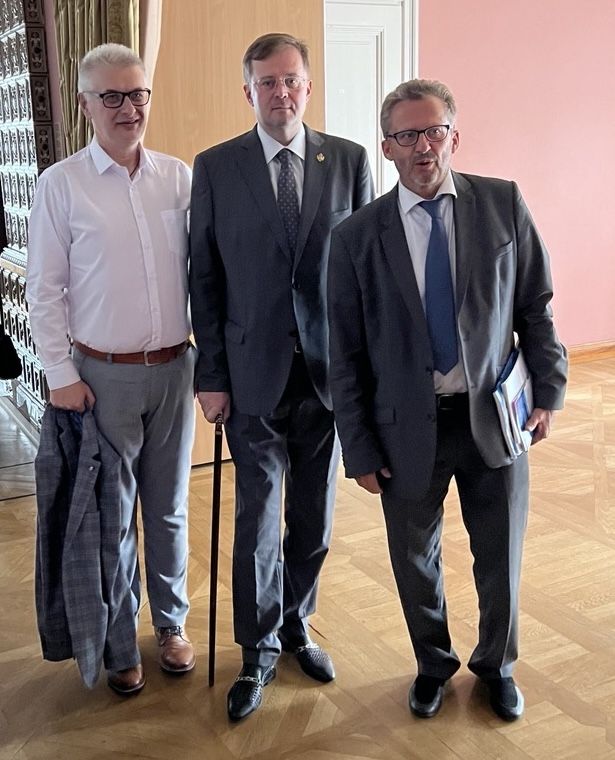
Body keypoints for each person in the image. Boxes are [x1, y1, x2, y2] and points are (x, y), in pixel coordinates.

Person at [327, 79, 567, 722]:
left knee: (500, 554)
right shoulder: (356, 237)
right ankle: (433, 665)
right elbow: (345, 355)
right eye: (407, 135)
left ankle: (497, 666)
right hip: (404, 428)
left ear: (454, 136)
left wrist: (548, 390)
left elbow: (535, 306)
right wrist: (359, 447)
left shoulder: (502, 203)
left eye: (434, 131)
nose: (423, 146)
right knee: (414, 561)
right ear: (387, 148)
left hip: (494, 417)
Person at [189, 32, 374, 720]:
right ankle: (258, 649)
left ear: (308, 85)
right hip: (251, 376)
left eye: (291, 80)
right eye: (267, 82)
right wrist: (210, 374)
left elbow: (365, 275)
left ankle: (297, 623)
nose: (281, 92)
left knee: (314, 520)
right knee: (258, 520)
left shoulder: (348, 161)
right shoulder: (216, 167)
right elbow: (204, 279)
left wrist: (367, 371)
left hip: (328, 377)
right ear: (248, 91)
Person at [26, 43, 196, 695]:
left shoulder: (177, 178)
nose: (129, 108)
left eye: (138, 94)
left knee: (169, 508)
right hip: (101, 378)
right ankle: (121, 640)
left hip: (175, 369)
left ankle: (172, 624)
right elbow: (44, 289)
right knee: (112, 513)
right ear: (85, 104)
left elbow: (204, 275)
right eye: (112, 96)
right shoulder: (61, 184)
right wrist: (60, 373)